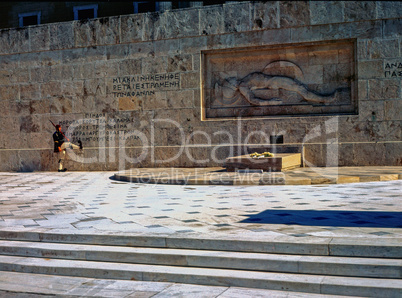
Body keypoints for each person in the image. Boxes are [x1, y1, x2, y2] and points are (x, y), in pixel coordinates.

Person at [215, 72, 339, 106]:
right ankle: (324, 99)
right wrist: (270, 102)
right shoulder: (243, 87)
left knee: (301, 88)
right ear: (232, 86)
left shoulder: (243, 80)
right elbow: (253, 100)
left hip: (275, 79)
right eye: (229, 80)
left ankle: (324, 99)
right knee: (301, 89)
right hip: (275, 82)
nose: (230, 78)